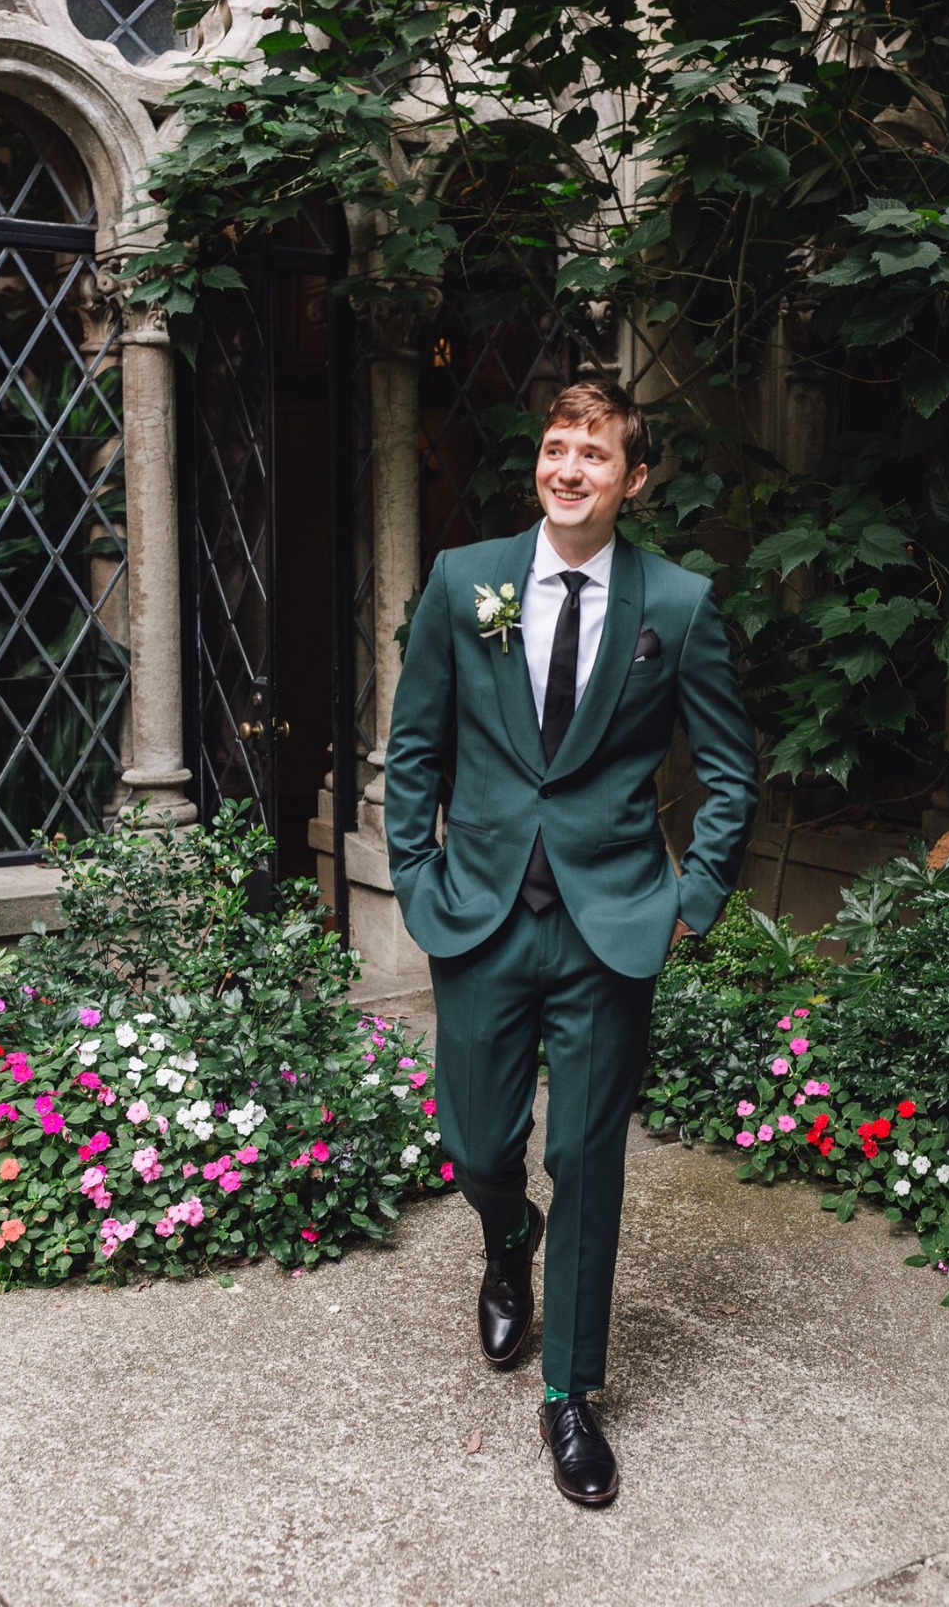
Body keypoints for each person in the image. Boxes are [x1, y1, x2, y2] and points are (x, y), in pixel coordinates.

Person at [384, 379, 757, 1506]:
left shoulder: (679, 606)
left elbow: (733, 772)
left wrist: (692, 900)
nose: (569, 469)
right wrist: (413, 869)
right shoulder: (465, 582)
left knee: (589, 1162)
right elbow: (414, 746)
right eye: (555, 448)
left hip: (612, 927)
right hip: (482, 916)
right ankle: (507, 1237)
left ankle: (570, 1396)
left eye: (594, 455)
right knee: (477, 1142)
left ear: (632, 480)